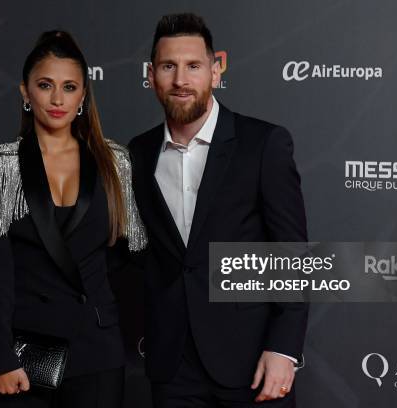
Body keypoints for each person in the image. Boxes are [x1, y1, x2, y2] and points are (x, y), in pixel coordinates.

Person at [128, 13, 309, 407]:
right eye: (168, 66)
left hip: (252, 361)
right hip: (171, 365)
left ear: (215, 70)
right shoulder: (136, 154)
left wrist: (284, 348)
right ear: (151, 75)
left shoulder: (263, 144)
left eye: (193, 66)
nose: (180, 80)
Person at [0, 30, 146, 407]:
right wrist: (0, 356)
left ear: (83, 95)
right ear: (25, 91)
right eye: (45, 85)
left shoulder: (115, 162)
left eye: (69, 87)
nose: (57, 99)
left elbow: (128, 256)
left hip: (97, 350)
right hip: (23, 354)